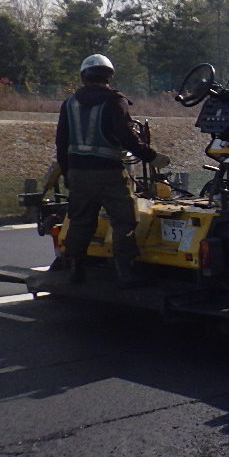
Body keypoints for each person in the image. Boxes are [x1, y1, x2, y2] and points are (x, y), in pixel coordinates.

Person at [55, 54, 169, 287]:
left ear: (83, 76)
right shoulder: (115, 101)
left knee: (79, 221)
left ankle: (75, 268)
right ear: (109, 75)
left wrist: (67, 173)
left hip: (78, 174)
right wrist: (152, 156)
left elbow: (61, 143)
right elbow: (126, 137)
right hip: (109, 175)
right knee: (124, 220)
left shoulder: (69, 103)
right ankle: (124, 271)